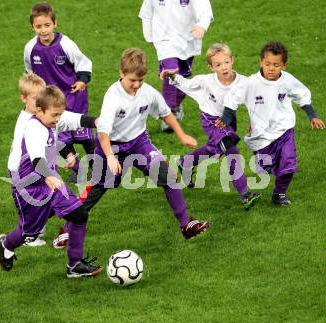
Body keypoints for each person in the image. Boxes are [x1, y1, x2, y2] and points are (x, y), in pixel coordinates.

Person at [70, 48, 210, 240]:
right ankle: (68, 225)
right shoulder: (113, 97)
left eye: (140, 80)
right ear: (121, 73)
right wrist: (110, 157)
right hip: (112, 146)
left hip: (139, 143)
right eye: (132, 80)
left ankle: (186, 225)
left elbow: (165, 113)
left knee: (167, 176)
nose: (136, 85)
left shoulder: (148, 93)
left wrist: (182, 135)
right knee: (100, 187)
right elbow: (103, 132)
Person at [0, 85, 103, 278]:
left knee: (79, 215)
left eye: (59, 115)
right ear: (39, 111)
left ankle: (75, 264)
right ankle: (6, 244)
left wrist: (96, 121)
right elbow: (37, 158)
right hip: (31, 188)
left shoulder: (51, 120)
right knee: (29, 233)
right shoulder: (33, 128)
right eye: (54, 115)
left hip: (52, 183)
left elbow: (74, 119)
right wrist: (48, 175)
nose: (57, 120)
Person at [217, 41, 325, 206]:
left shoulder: (287, 81)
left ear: (284, 66)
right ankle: (272, 178)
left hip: (285, 130)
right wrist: (226, 119)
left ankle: (279, 194)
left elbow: (301, 95)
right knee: (267, 167)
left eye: (276, 65)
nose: (271, 68)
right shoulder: (251, 83)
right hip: (262, 136)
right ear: (261, 62)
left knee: (289, 164)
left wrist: (312, 115)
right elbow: (232, 99)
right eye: (268, 64)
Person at [160, 43, 261, 210]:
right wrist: (172, 76)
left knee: (214, 149)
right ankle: (245, 194)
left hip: (228, 121)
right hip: (211, 121)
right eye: (218, 65)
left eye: (226, 62)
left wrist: (253, 122)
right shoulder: (206, 81)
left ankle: (186, 162)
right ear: (211, 67)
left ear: (232, 60)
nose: (223, 67)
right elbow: (186, 84)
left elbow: (254, 103)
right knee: (230, 150)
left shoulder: (244, 82)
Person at [8, 73, 97, 249]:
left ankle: (72, 257)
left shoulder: (47, 117)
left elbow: (58, 133)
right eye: (35, 98)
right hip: (27, 176)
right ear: (23, 99)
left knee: (74, 211)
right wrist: (47, 174)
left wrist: (67, 153)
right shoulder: (28, 124)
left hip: (44, 174)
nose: (40, 100)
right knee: (31, 228)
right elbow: (36, 154)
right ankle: (15, 239)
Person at [24, 2, 95, 181]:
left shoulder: (66, 44)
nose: (43, 30)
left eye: (47, 25)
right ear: (32, 27)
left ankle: (98, 165)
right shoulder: (30, 49)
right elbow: (29, 72)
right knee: (58, 136)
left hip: (73, 97)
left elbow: (83, 63)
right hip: (50, 102)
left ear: (55, 23)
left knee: (84, 135)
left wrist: (81, 80)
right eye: (38, 26)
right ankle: (77, 168)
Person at [139, 0, 213, 131]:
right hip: (163, 39)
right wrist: (149, 36)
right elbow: (146, 13)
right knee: (171, 71)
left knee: (182, 77)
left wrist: (202, 25)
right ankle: (168, 115)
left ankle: (176, 105)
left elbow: (204, 9)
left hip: (188, 40)